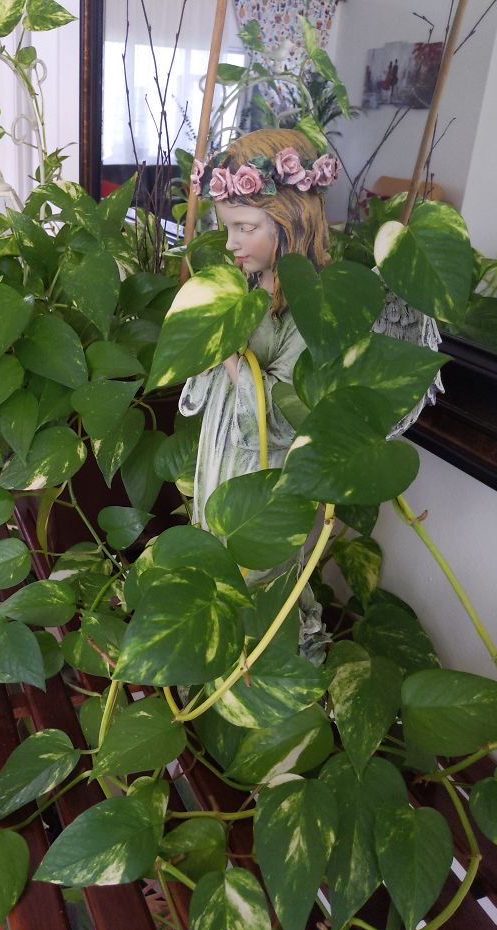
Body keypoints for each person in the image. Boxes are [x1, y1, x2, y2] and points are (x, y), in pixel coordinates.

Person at [181, 127, 338, 662]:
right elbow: (204, 379)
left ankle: (265, 663)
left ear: (291, 221)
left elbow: (290, 412)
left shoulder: (310, 309)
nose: (229, 244)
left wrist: (228, 351)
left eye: (245, 227)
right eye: (227, 228)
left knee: (259, 565)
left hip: (263, 463)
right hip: (223, 447)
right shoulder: (245, 289)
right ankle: (223, 648)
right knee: (217, 544)